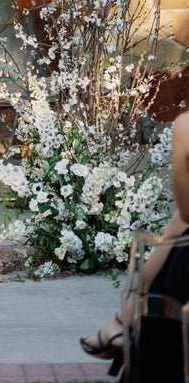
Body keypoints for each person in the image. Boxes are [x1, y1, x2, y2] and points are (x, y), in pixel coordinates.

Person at [81, 110, 189, 380]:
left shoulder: (186, 126)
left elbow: (187, 210)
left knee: (163, 290)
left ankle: (123, 320)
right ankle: (123, 320)